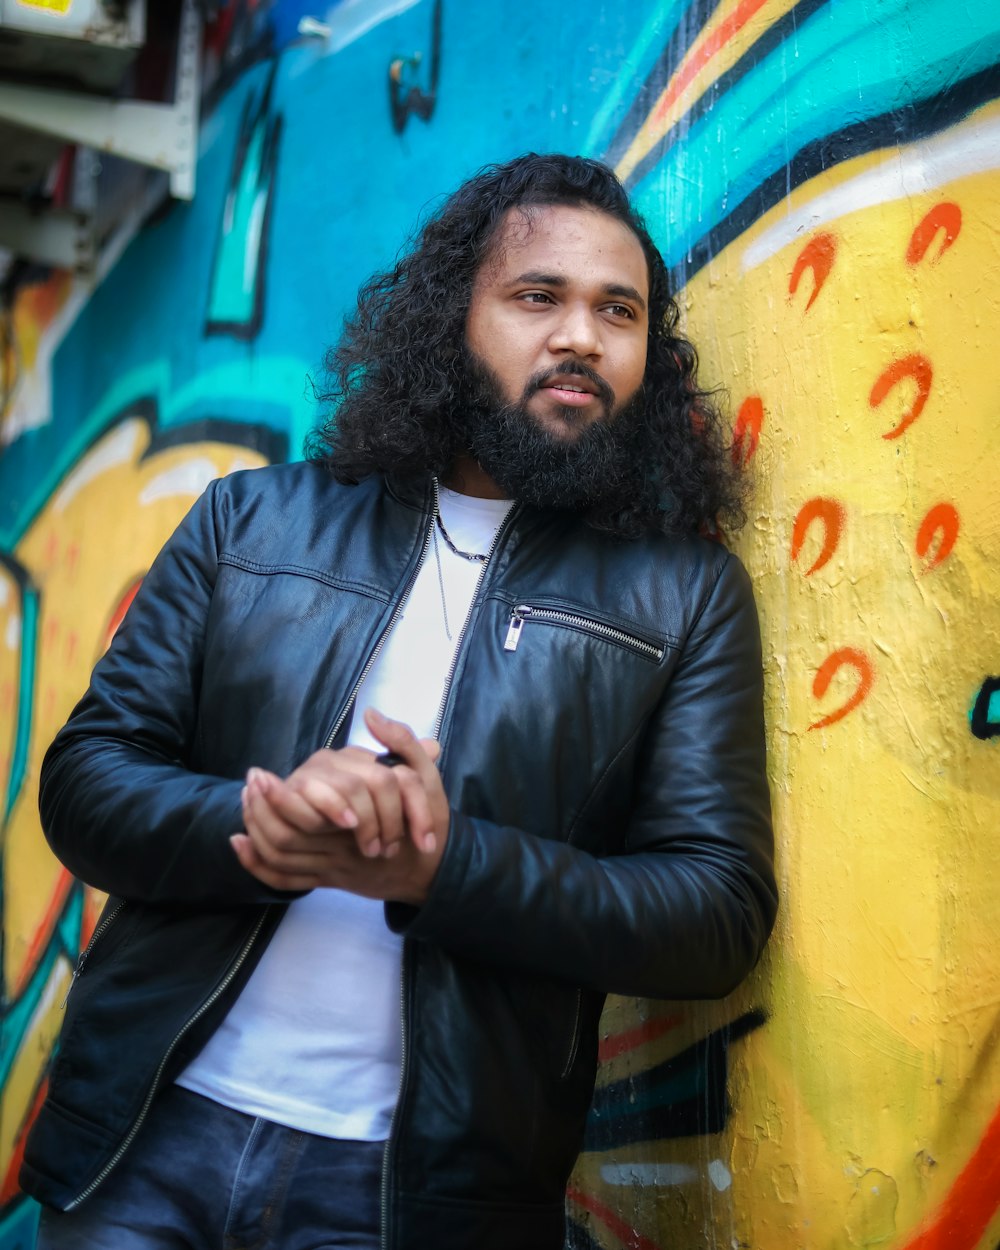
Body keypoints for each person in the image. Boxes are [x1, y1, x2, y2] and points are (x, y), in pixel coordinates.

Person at [23, 153, 777, 1250]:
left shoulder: (686, 593)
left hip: (423, 1197)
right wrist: (258, 823)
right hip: (145, 1140)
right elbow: (86, 783)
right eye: (536, 297)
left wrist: (446, 867)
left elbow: (714, 913)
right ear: (448, 321)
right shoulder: (253, 522)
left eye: (619, 311)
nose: (580, 335)